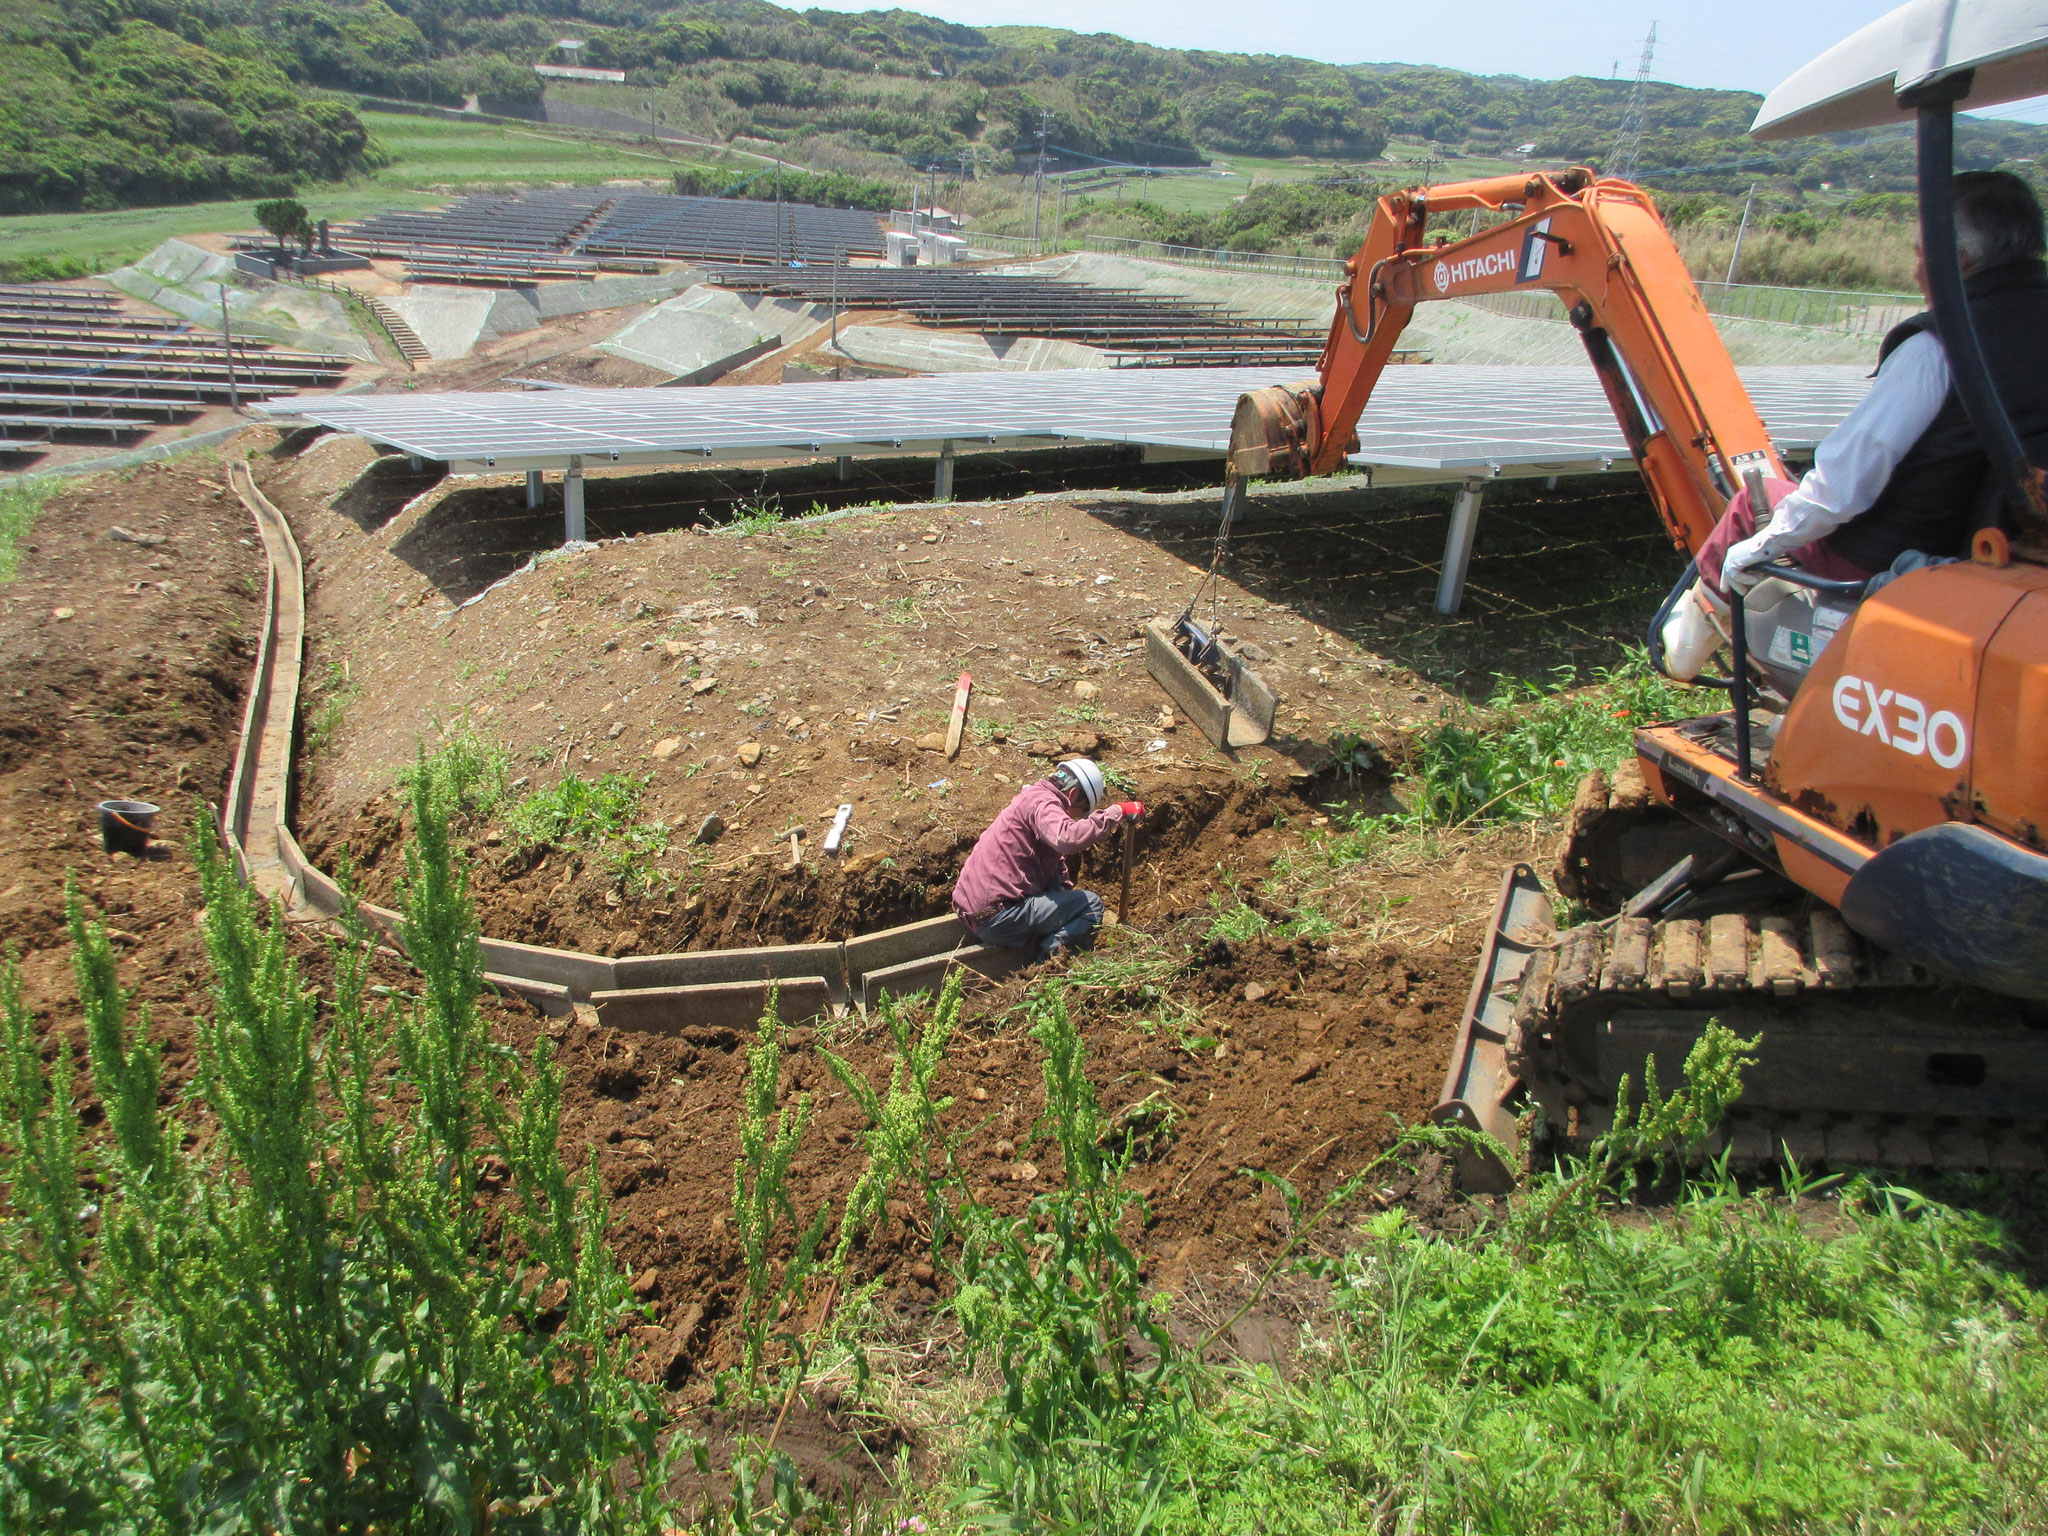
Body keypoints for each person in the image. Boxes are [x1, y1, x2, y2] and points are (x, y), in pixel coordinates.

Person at [1663, 170, 2048, 677]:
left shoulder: (1937, 348)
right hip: (1997, 548)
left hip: (1894, 552)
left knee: (1755, 504)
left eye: (1918, 255)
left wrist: (1755, 548)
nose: (1915, 272)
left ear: (1958, 262)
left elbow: (1842, 487)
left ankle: (1680, 657)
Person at [951, 758, 1141, 962]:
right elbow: (1066, 838)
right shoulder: (1045, 804)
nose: (1074, 818)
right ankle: (1050, 964)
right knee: (1091, 905)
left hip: (970, 908)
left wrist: (1064, 895)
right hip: (995, 919)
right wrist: (1117, 811)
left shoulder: (1031, 797)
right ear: (1073, 794)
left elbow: (1053, 862)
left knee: (1058, 890)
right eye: (1079, 813)